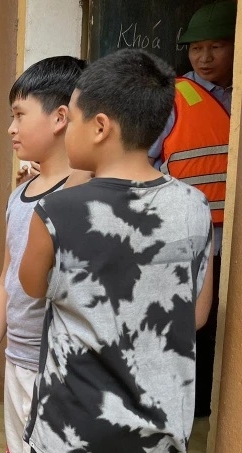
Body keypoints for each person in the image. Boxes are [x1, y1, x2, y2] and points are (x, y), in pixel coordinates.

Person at [19, 49, 213, 453]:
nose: (66, 127)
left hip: (73, 429)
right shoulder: (194, 208)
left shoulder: (57, 214)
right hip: (151, 430)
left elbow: (34, 288)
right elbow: (196, 313)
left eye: (72, 117)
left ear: (99, 126)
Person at [0, 56, 85, 453]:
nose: (11, 129)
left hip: (61, 367)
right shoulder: (19, 195)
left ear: (60, 118)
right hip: (17, 362)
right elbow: (5, 281)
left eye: (20, 115)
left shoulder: (86, 193)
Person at [148, 0, 235, 419]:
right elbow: (139, 161)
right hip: (184, 233)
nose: (204, 57)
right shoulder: (174, 97)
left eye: (216, 46)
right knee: (187, 324)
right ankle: (190, 413)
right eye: (196, 48)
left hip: (230, 235)